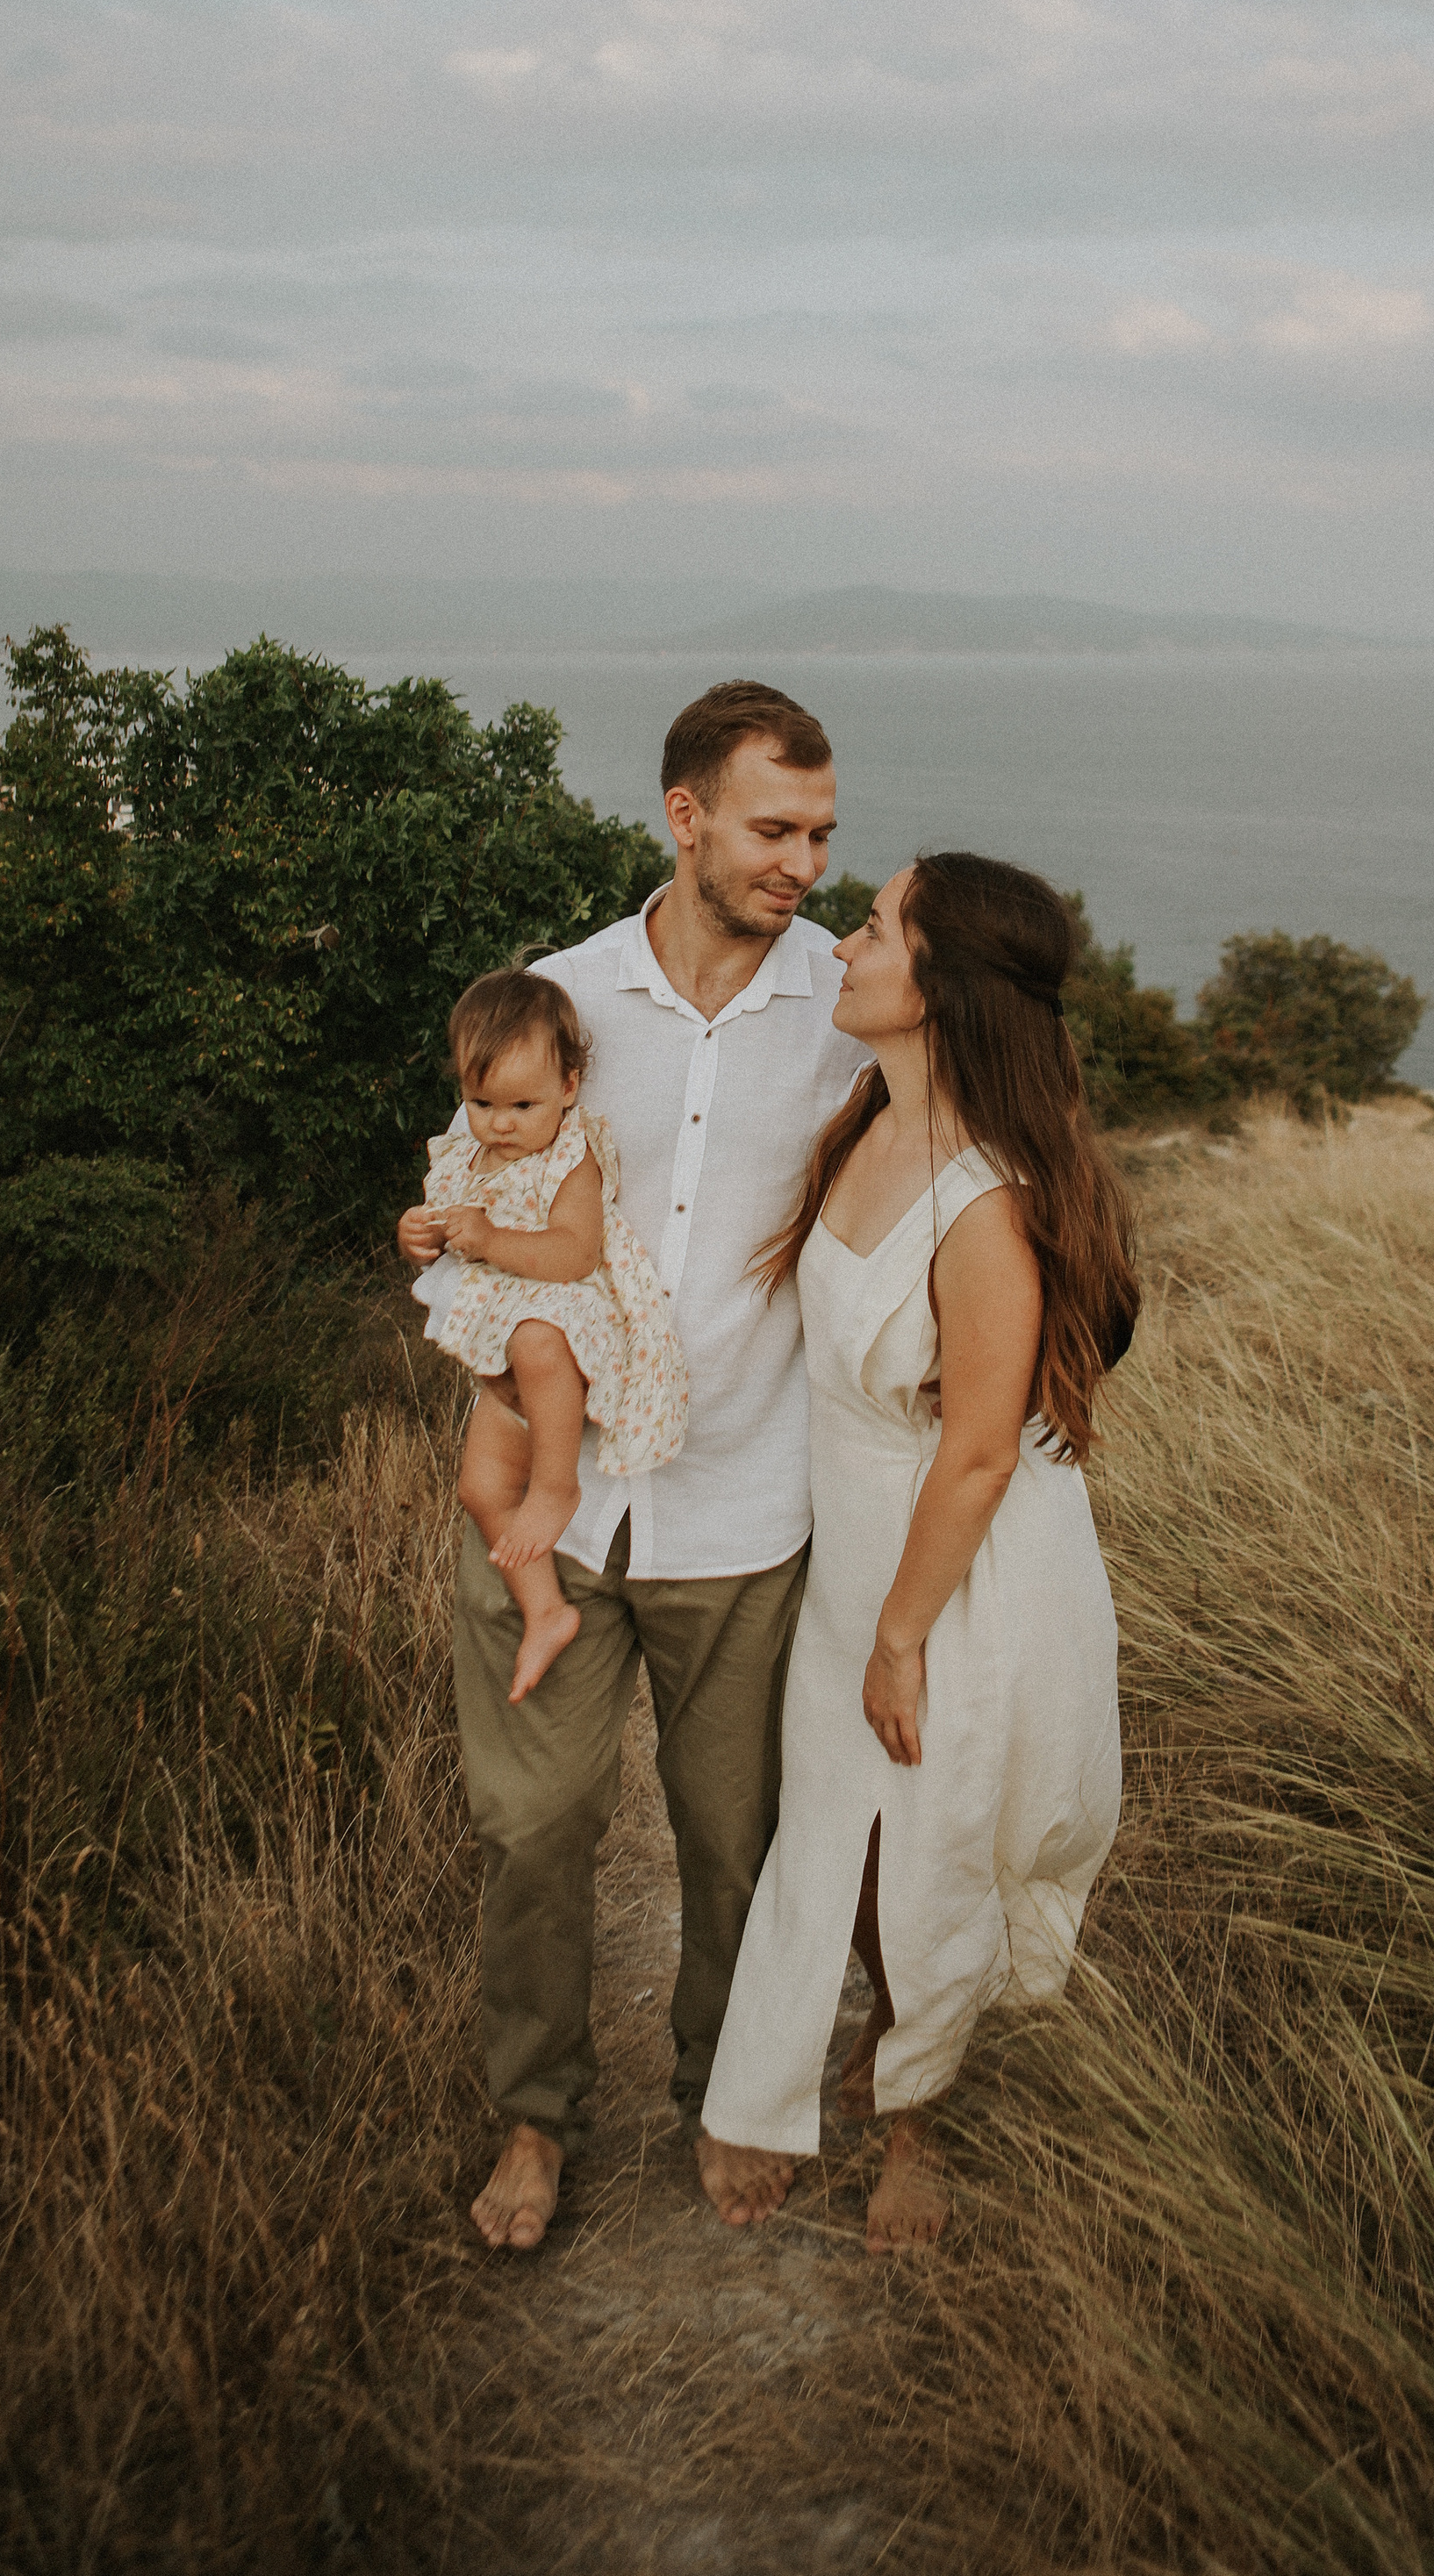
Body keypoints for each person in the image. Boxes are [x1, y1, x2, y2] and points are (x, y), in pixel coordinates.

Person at [408, 682, 868, 2255]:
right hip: (562, 1494)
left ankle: (727, 2097)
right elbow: (476, 1175)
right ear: (684, 817)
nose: (802, 861)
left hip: (749, 1504)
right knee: (534, 1833)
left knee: (734, 1840)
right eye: (772, 828)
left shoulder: (846, 1007)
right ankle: (534, 2122)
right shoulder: (562, 994)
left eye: (819, 831)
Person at [696, 853, 1138, 2254]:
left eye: (875, 926)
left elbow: (984, 1450)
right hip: (856, 1543)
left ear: (935, 988)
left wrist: (900, 1636)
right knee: (842, 1832)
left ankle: (913, 2126)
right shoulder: (866, 1119)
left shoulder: (986, 1203)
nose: (842, 942)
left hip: (955, 1570)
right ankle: (810, 2075)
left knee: (927, 1849)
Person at [400, 968, 690, 1707]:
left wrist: (492, 1237)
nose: (499, 1123)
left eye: (522, 1104)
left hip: (570, 1315)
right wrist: (420, 1236)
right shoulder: (467, 1154)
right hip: (503, 1349)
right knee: (479, 1486)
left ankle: (557, 1483)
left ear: (569, 1085)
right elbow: (443, 1232)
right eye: (481, 1103)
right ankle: (546, 1610)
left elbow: (574, 1254)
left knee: (535, 1338)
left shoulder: (572, 1155)